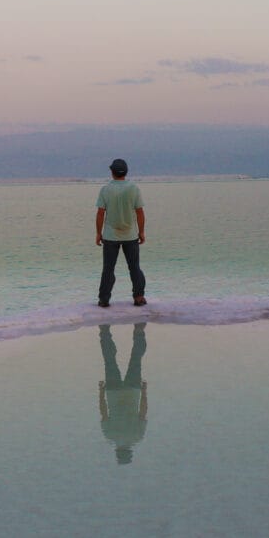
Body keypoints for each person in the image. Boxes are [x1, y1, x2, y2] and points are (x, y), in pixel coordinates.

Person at [95, 158, 146, 307]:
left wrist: (98, 233)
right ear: (126, 172)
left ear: (112, 172)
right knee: (134, 267)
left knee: (108, 269)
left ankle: (104, 299)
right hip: (130, 235)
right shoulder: (134, 188)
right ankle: (138, 297)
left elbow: (100, 213)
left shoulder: (105, 189)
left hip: (110, 236)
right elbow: (140, 213)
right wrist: (141, 232)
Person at [98, 323, 148, 464]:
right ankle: (104, 331)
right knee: (109, 361)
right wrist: (101, 392)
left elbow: (143, 412)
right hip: (113, 391)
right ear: (118, 452)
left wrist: (144, 391)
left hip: (132, 390)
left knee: (136, 359)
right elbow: (103, 411)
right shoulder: (110, 436)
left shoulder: (137, 436)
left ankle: (139, 330)